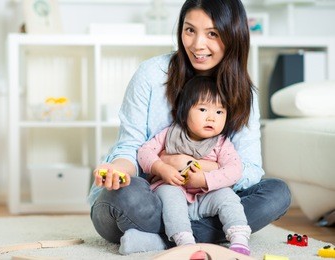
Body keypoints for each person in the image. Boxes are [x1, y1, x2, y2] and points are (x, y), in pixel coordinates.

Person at [88, 0, 291, 255]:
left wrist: (200, 169)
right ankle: (204, 235)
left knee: (276, 194)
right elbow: (131, 147)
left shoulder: (242, 93)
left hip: (208, 200)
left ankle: (160, 241)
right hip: (154, 199)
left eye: (213, 34)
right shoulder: (152, 74)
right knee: (124, 195)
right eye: (189, 30)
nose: (197, 45)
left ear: (233, 36)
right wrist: (120, 169)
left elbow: (250, 170)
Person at [137, 75, 251, 255]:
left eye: (220, 112)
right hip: (174, 193)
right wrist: (161, 168)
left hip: (205, 198)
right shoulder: (170, 134)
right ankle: (185, 241)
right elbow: (144, 152)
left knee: (228, 196)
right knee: (169, 192)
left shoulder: (221, 143)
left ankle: (239, 238)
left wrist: (205, 179)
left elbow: (235, 170)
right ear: (184, 111)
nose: (212, 118)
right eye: (203, 109)